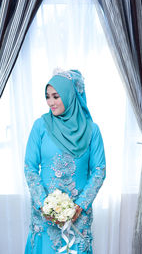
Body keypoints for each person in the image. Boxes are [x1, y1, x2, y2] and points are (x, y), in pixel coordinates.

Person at [24, 69, 106, 254]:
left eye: (56, 96)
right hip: (45, 215)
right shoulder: (41, 126)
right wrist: (44, 204)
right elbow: (30, 167)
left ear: (71, 96)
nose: (50, 102)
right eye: (47, 97)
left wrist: (80, 206)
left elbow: (99, 170)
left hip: (78, 216)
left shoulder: (92, 130)